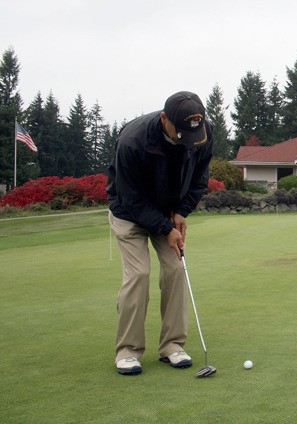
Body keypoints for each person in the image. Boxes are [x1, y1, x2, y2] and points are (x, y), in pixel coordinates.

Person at [107, 91, 213, 375]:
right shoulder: (133, 141)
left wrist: (181, 212)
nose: (185, 141)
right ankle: (128, 350)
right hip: (129, 212)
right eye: (180, 133)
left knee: (176, 270)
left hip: (168, 210)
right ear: (164, 118)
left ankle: (172, 346)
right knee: (139, 273)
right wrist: (165, 228)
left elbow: (200, 177)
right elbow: (130, 197)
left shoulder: (202, 133)